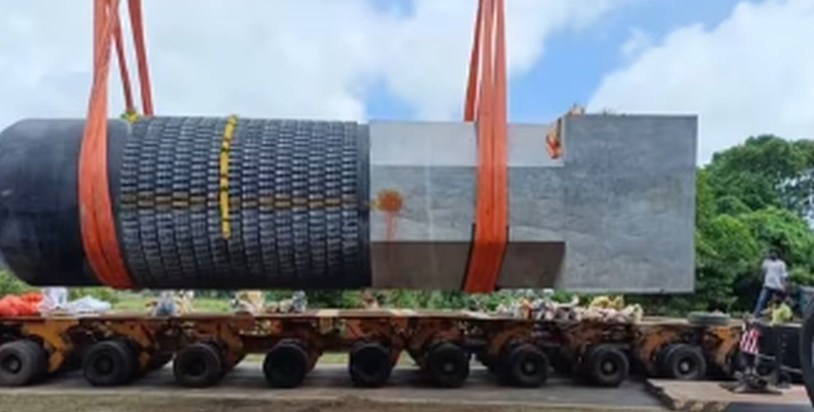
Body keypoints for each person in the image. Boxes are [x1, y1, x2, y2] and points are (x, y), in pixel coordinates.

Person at [754, 251, 789, 317]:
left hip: (777, 286)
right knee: (762, 300)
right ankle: (757, 314)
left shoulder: (781, 263)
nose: (773, 255)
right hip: (767, 285)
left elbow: (783, 276)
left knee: (777, 302)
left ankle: (778, 315)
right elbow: (763, 272)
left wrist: (784, 286)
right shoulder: (766, 262)